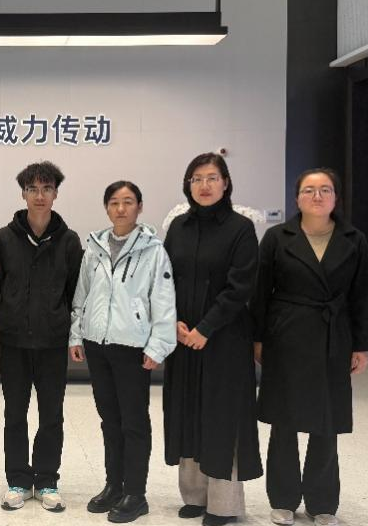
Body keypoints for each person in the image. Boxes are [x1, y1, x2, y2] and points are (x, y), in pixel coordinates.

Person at [252, 168, 368, 526]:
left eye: (325, 190)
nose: (317, 196)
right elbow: (260, 292)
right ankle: (283, 499)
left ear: (336, 198)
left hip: (333, 338)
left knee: (327, 422)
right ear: (297, 198)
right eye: (309, 190)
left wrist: (362, 345)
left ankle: (322, 502)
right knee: (284, 422)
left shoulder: (354, 239)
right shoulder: (277, 237)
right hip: (285, 337)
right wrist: (257, 337)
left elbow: (363, 295)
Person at [162, 153, 263, 526]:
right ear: (188, 185)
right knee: (187, 411)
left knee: (222, 418)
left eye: (212, 178)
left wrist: (206, 328)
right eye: (196, 179)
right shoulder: (178, 227)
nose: (204, 186)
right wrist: (173, 321)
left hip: (225, 339)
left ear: (225, 183)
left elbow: (240, 287)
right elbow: (163, 277)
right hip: (183, 338)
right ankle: (194, 495)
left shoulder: (241, 228)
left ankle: (224, 504)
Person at [69, 181, 177, 523]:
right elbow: (82, 294)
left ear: (139, 207)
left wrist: (158, 346)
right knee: (110, 420)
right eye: (114, 202)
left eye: (128, 202)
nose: (121, 208)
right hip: (97, 344)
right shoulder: (95, 246)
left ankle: (136, 493)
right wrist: (76, 335)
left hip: (133, 347)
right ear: (106, 207)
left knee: (134, 422)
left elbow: (163, 301)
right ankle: (114, 485)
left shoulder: (153, 250)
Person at [0, 161, 83, 512]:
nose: (39, 195)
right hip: (13, 343)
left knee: (51, 415)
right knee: (15, 414)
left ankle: (46, 481)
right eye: (32, 189)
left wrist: (66, 329)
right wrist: (8, 320)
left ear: (56, 194)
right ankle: (17, 480)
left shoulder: (69, 241)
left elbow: (76, 293)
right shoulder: (3, 239)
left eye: (46, 189)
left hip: (52, 344)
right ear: (23, 194)